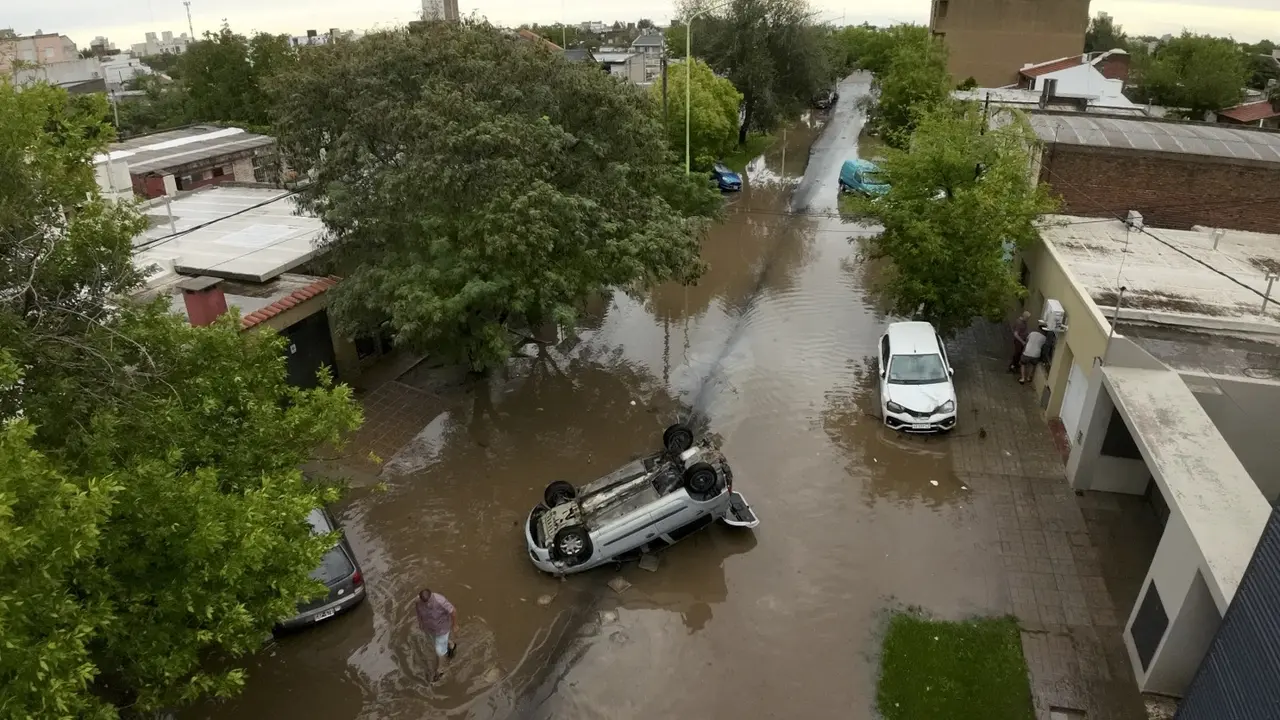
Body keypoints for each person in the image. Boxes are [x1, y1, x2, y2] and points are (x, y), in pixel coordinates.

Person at [415, 588, 458, 682]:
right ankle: (451, 645)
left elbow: (453, 611)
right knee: (434, 642)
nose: (427, 605)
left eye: (429, 602)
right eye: (424, 603)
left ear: (432, 596)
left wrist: (455, 625)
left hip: (442, 629)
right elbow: (418, 610)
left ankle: (440, 670)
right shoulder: (418, 601)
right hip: (429, 628)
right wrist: (420, 622)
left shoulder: (440, 601)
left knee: (439, 651)